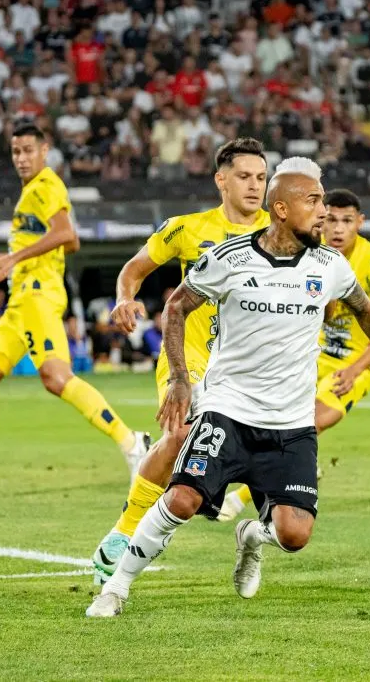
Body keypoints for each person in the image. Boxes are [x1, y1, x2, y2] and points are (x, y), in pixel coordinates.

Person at [85, 157, 370, 617]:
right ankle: (116, 587)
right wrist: (181, 378)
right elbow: (177, 307)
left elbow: (367, 311)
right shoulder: (231, 258)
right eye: (314, 201)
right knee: (183, 498)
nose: (323, 211)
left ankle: (251, 535)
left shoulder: (330, 266)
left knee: (294, 536)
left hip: (291, 421)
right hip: (229, 411)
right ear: (281, 209)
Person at [0, 123, 150, 494]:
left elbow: (67, 234)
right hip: (20, 305)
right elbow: (69, 243)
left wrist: (15, 257)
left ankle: (133, 444)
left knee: (56, 378)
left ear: (44, 150)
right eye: (15, 151)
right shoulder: (32, 194)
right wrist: (28, 255)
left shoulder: (45, 185)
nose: (21, 158)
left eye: (27, 150)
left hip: (37, 297)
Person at [88, 137, 271, 583]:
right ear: (220, 180)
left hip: (247, 369)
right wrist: (124, 299)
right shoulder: (186, 229)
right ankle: (124, 532)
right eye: (244, 177)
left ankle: (236, 514)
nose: (254, 186)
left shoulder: (281, 232)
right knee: (180, 434)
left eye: (262, 178)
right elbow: (133, 269)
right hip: (185, 360)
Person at [217, 189, 370, 521]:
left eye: (347, 221)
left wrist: (356, 370)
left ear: (360, 222)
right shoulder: (312, 256)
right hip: (311, 357)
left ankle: (241, 496)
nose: (338, 229)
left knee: (309, 422)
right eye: (331, 220)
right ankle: (299, 469)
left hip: (352, 365)